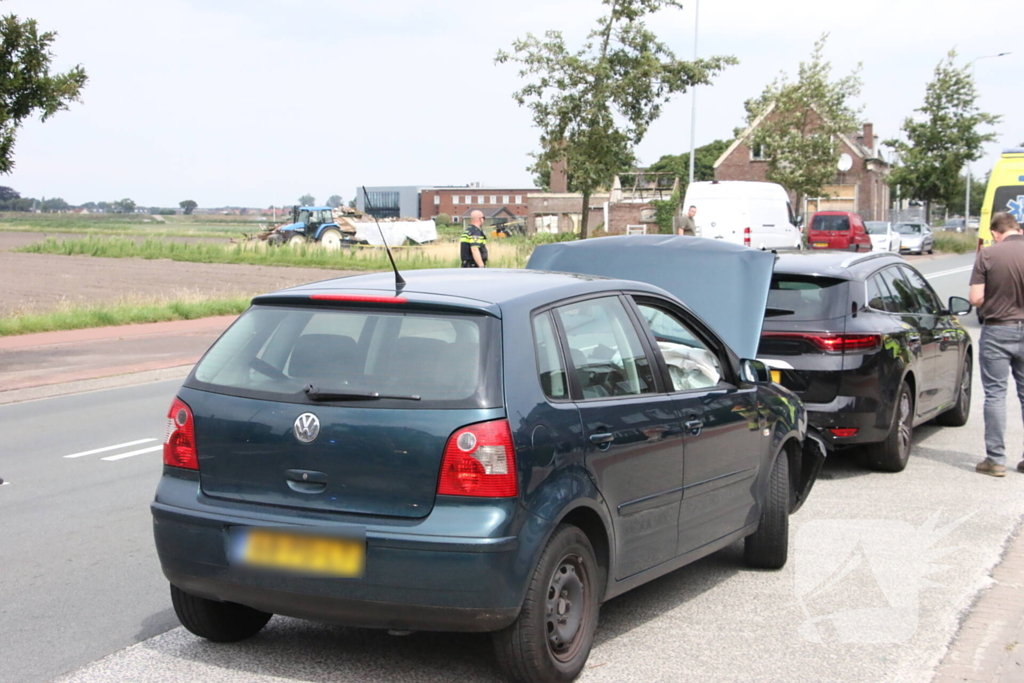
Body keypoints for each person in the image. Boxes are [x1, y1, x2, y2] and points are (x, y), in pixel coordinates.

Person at [969, 211, 1024, 476]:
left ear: (995, 233)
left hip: (998, 331)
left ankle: (996, 460)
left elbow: (976, 298)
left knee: (995, 395)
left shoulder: (988, 255)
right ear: (1019, 230)